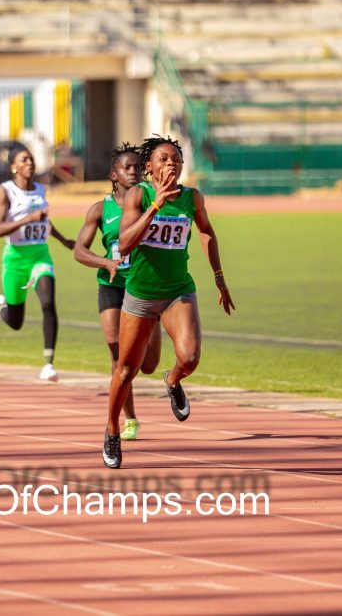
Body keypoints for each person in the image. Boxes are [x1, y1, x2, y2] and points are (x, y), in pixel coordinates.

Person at [102, 135, 235, 468]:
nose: (171, 164)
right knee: (127, 369)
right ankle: (111, 430)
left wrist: (219, 277)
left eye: (176, 159)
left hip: (178, 292)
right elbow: (127, 243)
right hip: (141, 295)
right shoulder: (138, 195)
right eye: (164, 159)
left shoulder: (192, 198)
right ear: (149, 167)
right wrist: (155, 206)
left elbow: (206, 232)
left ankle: (173, 379)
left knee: (189, 358)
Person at [74, 142, 162, 441]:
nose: (134, 171)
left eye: (138, 166)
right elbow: (78, 250)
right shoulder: (100, 209)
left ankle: (155, 323)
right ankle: (130, 419)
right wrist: (106, 262)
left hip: (145, 287)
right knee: (117, 353)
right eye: (127, 167)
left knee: (148, 365)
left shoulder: (152, 202)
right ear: (114, 174)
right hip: (112, 285)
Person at [0, 145, 75, 381]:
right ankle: (1, 306)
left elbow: (44, 222)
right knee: (15, 322)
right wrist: (28, 218)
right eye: (24, 160)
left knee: (48, 302)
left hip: (39, 256)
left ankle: (49, 363)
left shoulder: (41, 190)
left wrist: (64, 240)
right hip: (15, 259)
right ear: (14, 166)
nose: (30, 164)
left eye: (32, 160)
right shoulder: (6, 191)